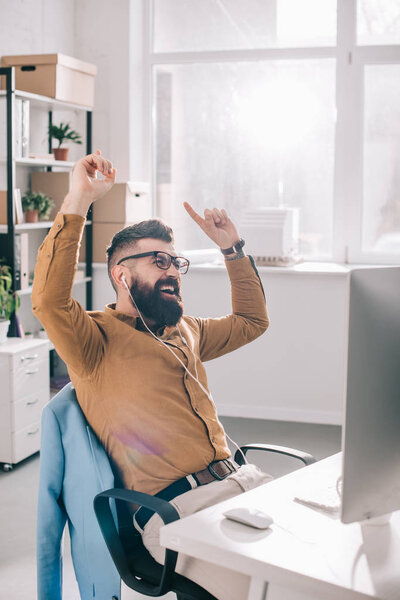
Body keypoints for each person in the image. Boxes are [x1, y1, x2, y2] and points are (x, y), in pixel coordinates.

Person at [32, 150, 272, 600]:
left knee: (326, 560)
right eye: (158, 261)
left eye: (175, 262)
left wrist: (231, 249)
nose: (173, 271)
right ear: (121, 275)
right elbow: (48, 301)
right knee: (273, 588)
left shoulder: (186, 330)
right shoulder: (93, 341)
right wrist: (79, 201)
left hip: (241, 482)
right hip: (176, 512)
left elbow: (252, 322)